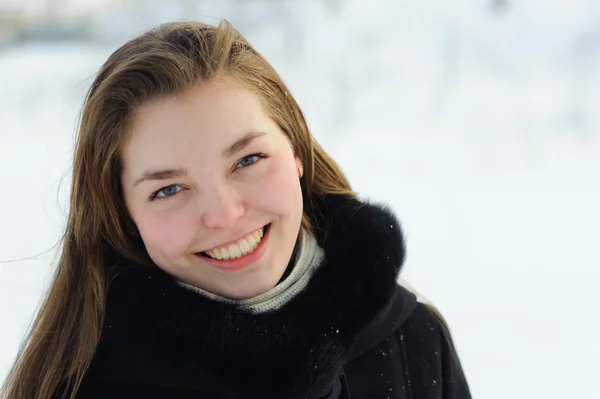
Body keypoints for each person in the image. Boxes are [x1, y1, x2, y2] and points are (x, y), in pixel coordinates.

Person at [1, 20, 471, 399]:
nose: (224, 215)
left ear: (296, 153)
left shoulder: (412, 336)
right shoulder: (85, 386)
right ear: (124, 217)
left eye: (248, 160)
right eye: (168, 190)